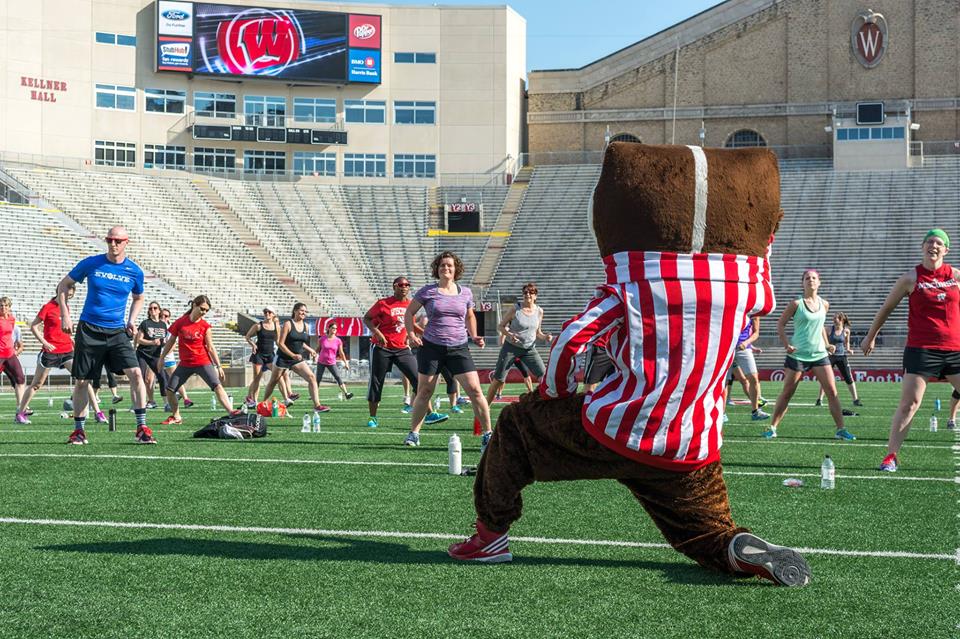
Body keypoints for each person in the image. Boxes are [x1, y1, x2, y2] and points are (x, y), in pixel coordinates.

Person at [862, 229, 960, 472]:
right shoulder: (910, 278)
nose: (933, 246)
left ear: (946, 250)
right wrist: (870, 336)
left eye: (939, 243)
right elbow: (886, 308)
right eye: (929, 242)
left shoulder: (957, 277)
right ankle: (890, 456)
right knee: (910, 404)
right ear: (922, 247)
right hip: (921, 349)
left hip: (955, 349)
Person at [56, 225, 153, 445]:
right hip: (89, 328)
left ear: (126, 242)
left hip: (117, 330)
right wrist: (65, 315)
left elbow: (139, 297)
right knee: (82, 380)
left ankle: (142, 428)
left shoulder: (134, 271)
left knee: (136, 374)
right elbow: (63, 285)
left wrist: (131, 320)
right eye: (110, 240)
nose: (113, 244)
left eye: (118, 241)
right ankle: (79, 431)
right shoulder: (92, 263)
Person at [404, 251, 490, 448]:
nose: (446, 268)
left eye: (449, 265)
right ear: (437, 269)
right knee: (424, 391)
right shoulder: (427, 291)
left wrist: (474, 335)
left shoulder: (466, 292)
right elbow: (409, 312)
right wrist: (411, 334)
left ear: (456, 269)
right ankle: (413, 434)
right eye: (442, 265)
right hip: (432, 347)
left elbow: (469, 316)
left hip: (459, 347)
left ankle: (488, 434)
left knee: (475, 390)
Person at [762, 269, 856, 441]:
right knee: (787, 393)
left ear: (819, 282)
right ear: (802, 283)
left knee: (832, 391)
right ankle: (772, 427)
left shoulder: (825, 304)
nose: (810, 280)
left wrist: (827, 344)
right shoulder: (796, 304)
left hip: (819, 354)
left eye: (814, 278)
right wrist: (786, 344)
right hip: (798, 355)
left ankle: (841, 429)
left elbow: (820, 326)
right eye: (807, 278)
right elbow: (780, 324)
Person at [362, 276, 446, 428]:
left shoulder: (410, 304)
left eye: (407, 285)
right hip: (382, 348)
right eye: (401, 284)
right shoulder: (383, 303)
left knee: (419, 380)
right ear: (394, 286)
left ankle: (430, 414)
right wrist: (376, 332)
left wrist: (427, 335)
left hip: (402, 348)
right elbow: (367, 318)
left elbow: (411, 324)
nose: (404, 287)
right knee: (376, 382)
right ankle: (373, 417)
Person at [15, 284, 101, 423]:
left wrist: (71, 339)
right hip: (50, 352)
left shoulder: (66, 307)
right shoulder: (48, 307)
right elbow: (34, 326)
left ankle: (98, 412)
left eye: (71, 295)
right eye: (67, 294)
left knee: (83, 379)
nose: (68, 297)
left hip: (67, 350)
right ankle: (20, 413)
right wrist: (44, 342)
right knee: (37, 384)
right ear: (59, 292)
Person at [159, 296, 234, 425]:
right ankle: (176, 416)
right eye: (202, 309)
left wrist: (219, 366)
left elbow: (210, 347)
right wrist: (162, 358)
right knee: (170, 390)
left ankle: (232, 413)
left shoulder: (205, 326)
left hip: (203, 362)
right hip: (185, 364)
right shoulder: (180, 322)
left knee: (217, 386)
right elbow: (171, 342)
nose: (204, 312)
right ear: (194, 305)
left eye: (206, 310)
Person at [485, 283, 552, 408]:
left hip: (529, 349)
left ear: (535, 296)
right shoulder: (515, 309)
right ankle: (484, 408)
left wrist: (546, 337)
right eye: (525, 292)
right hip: (511, 348)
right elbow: (500, 326)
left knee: (544, 377)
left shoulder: (539, 311)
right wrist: (509, 335)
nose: (528, 295)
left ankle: (544, 407)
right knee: (498, 379)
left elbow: (538, 333)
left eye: (531, 292)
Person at [260, 302, 330, 413]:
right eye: (301, 310)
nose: (304, 313)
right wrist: (292, 355)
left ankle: (317, 405)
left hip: (296, 359)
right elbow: (280, 343)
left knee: (312, 377)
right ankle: (262, 404)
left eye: (305, 311)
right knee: (274, 381)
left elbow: (300, 342)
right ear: (295, 311)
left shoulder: (306, 326)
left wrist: (311, 350)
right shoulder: (288, 324)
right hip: (283, 358)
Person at [724, 316, 769, 421]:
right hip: (727, 348)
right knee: (724, 382)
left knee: (753, 378)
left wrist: (746, 343)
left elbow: (756, 333)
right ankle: (722, 414)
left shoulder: (754, 313)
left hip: (743, 349)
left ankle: (755, 411)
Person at [815, 312, 863, 407]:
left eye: (835, 318)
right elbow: (821, 337)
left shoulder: (846, 331)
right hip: (830, 357)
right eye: (833, 318)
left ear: (841, 320)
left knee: (849, 378)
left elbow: (847, 342)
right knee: (825, 379)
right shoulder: (829, 329)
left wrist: (848, 349)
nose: (833, 319)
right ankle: (819, 399)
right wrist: (826, 348)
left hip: (842, 356)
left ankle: (855, 400)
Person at [243, 306, 279, 407]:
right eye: (265, 312)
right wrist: (253, 345)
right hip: (258, 354)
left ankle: (287, 397)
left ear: (273, 314)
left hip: (270, 355)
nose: (267, 314)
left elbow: (278, 340)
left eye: (269, 312)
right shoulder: (258, 326)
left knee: (278, 375)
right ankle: (254, 400)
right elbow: (247, 336)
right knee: (257, 378)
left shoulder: (276, 327)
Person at [135, 301, 167, 409]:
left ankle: (166, 403)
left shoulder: (163, 325)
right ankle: (139, 403)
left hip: (155, 355)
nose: (152, 310)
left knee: (162, 377)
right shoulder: (145, 323)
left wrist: (164, 344)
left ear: (159, 310)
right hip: (142, 354)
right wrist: (152, 342)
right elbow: (139, 339)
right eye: (150, 308)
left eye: (155, 308)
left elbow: (163, 341)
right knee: (140, 377)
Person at [160, 307, 193, 410]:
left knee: (176, 379)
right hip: (155, 357)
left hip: (167, 358)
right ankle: (151, 401)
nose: (163, 318)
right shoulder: (156, 326)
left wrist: (164, 355)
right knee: (150, 380)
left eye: (166, 316)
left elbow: (173, 343)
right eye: (161, 316)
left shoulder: (170, 327)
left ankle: (186, 399)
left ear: (169, 318)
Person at [0, 297, 27, 415]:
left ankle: (20, 410)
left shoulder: (12, 319)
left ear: (9, 307)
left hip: (10, 354)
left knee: (20, 379)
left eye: (6, 306)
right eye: (1, 305)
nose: (3, 308)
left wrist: (16, 350)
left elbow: (11, 338)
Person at [316, 323, 353, 400]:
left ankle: (346, 393)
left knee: (338, 377)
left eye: (336, 328)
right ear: (328, 329)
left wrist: (346, 363)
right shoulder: (322, 339)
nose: (334, 330)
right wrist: (313, 353)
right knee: (318, 379)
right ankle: (314, 395)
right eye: (333, 328)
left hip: (331, 362)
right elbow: (318, 349)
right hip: (321, 362)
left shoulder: (338, 340)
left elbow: (341, 353)